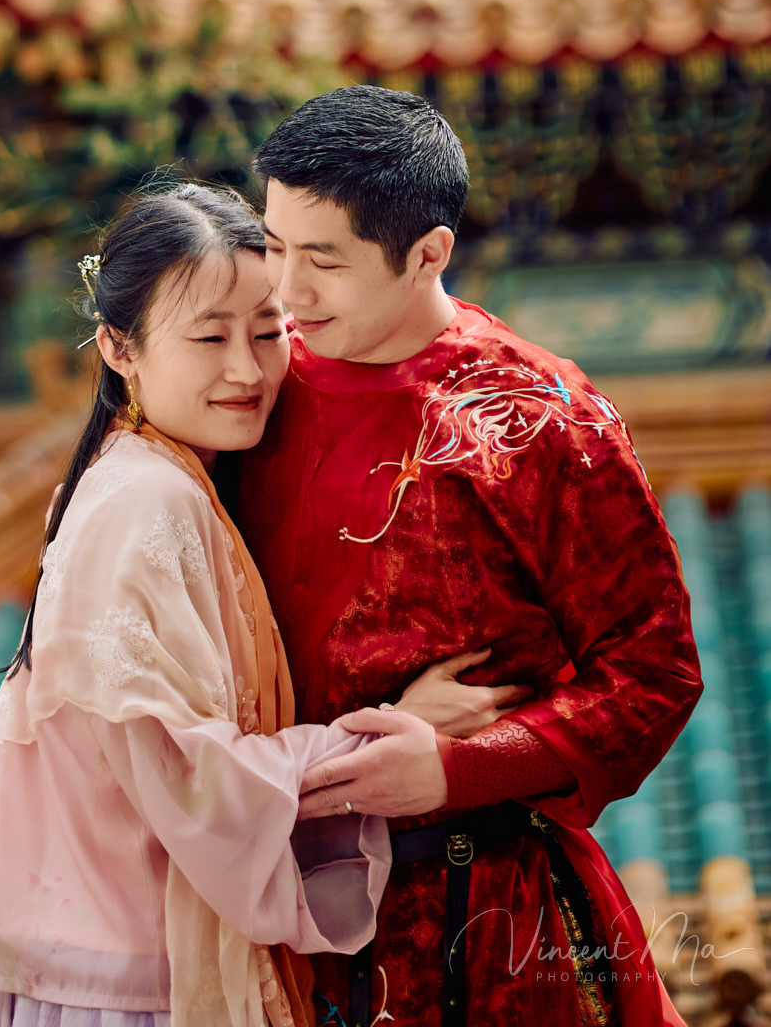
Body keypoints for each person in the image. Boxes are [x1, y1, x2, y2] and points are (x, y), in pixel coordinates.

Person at [0, 182, 521, 1027]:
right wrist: (383, 734)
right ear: (119, 347)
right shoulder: (146, 501)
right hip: (135, 992)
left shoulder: (155, 476)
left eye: (268, 334)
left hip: (102, 966)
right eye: (208, 337)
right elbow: (193, 778)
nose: (246, 369)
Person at [243, 84, 702, 1027]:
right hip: (270, 917)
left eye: (323, 261)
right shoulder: (244, 385)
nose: (287, 292)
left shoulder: (541, 418)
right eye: (275, 247)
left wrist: (460, 770)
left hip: (486, 922)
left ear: (427, 254)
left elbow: (653, 672)